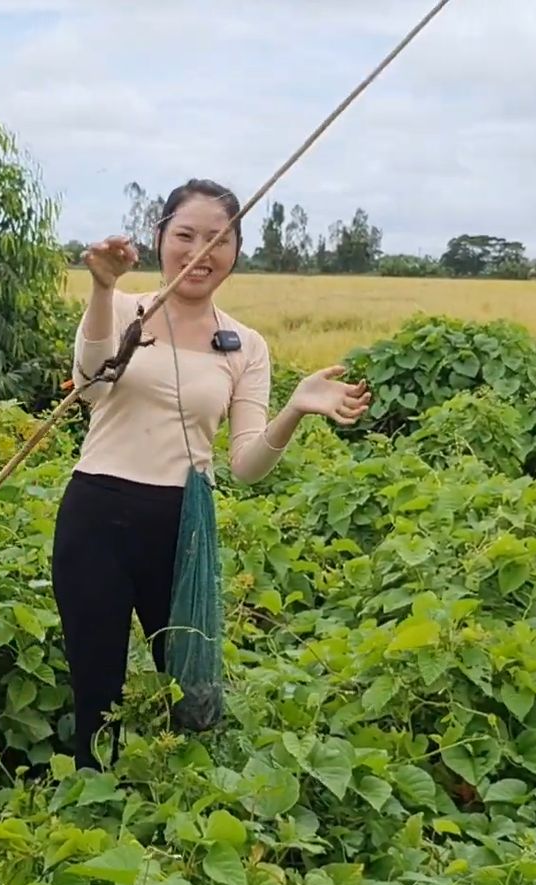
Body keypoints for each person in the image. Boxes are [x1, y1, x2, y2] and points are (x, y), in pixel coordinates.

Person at [52, 178, 372, 770]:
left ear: (237, 251)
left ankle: (183, 814)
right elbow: (93, 382)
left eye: (218, 239)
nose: (201, 251)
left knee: (189, 689)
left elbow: (246, 465)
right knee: (98, 691)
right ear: (160, 238)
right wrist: (102, 288)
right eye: (186, 235)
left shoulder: (245, 346)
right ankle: (89, 806)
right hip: (95, 514)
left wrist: (297, 408)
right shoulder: (124, 308)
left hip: (181, 527)